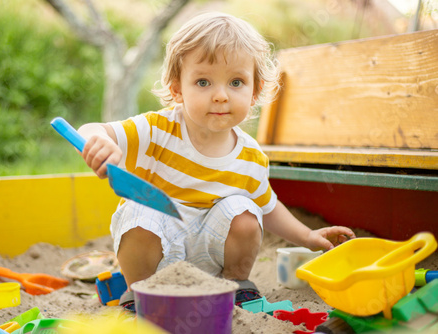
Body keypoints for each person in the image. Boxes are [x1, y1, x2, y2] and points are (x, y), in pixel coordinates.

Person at [77, 12, 356, 312]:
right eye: (203, 82)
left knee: (246, 212)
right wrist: (97, 140)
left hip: (211, 262)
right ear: (177, 89)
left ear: (255, 91)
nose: (221, 96)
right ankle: (139, 295)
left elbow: (268, 206)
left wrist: (308, 236)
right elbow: (94, 130)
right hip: (157, 257)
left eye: (236, 82)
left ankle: (234, 288)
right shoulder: (157, 129)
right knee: (137, 210)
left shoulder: (250, 157)